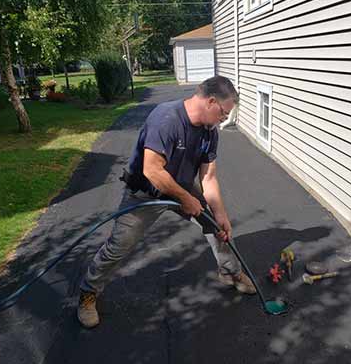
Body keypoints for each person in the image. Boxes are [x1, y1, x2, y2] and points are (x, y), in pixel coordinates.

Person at [77, 76, 256, 329]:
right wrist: (186, 200)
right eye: (223, 114)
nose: (224, 119)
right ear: (211, 101)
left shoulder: (209, 132)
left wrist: (220, 213)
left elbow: (208, 176)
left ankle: (230, 272)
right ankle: (88, 292)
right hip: (145, 193)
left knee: (218, 229)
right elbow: (153, 171)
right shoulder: (166, 119)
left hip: (181, 187)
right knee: (119, 245)